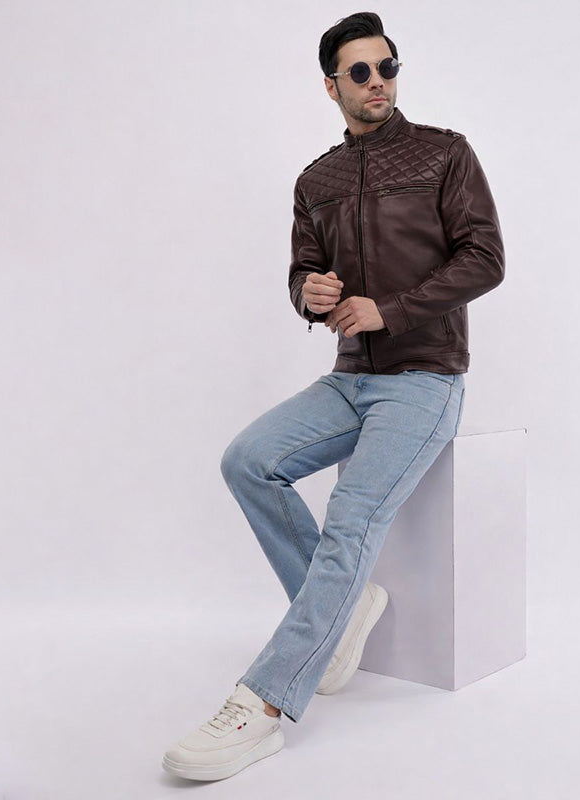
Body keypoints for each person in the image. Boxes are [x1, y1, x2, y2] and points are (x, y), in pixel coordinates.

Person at [162, 11, 505, 782]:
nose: (378, 81)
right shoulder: (314, 181)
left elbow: (485, 257)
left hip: (425, 378)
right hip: (350, 379)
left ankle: (264, 704)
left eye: (388, 66)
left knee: (351, 519)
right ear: (331, 86)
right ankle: (342, 614)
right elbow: (303, 271)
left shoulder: (444, 153)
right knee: (248, 461)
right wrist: (309, 294)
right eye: (360, 72)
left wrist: (394, 310)